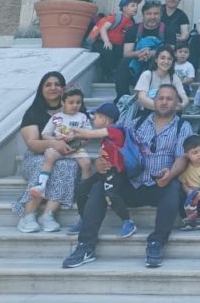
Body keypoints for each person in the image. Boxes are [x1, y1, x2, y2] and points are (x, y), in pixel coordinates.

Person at [62, 85, 191, 270]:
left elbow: (181, 157)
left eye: (169, 98)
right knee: (99, 187)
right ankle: (85, 246)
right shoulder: (136, 123)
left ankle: (156, 243)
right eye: (160, 98)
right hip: (132, 182)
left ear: (177, 103)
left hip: (159, 183)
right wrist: (100, 160)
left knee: (173, 190)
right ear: (154, 101)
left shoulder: (182, 126)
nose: (164, 102)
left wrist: (170, 174)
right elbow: (112, 143)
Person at [14, 72, 75, 233]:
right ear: (41, 89)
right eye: (48, 85)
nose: (53, 88)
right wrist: (54, 144)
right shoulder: (33, 113)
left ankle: (48, 215)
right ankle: (28, 215)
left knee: (68, 166)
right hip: (35, 157)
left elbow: (81, 134)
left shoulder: (73, 109)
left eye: (57, 84)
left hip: (64, 156)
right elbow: (33, 144)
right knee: (43, 164)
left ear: (63, 88)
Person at [65, 102, 135, 239]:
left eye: (95, 117)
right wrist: (69, 141)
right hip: (105, 171)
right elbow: (84, 139)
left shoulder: (115, 131)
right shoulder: (104, 135)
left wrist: (75, 132)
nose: (93, 120)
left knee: (110, 194)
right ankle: (84, 218)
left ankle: (128, 221)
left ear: (104, 119)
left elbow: (89, 134)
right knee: (81, 189)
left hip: (116, 173)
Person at [29, 88, 92, 198]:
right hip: (58, 146)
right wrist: (56, 140)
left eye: (78, 102)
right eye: (71, 102)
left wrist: (76, 138)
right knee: (49, 155)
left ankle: (84, 191)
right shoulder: (57, 117)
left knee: (86, 163)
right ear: (63, 103)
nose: (75, 105)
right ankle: (42, 186)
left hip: (76, 146)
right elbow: (45, 134)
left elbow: (88, 135)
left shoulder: (82, 117)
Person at [115, 0, 166, 102]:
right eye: (149, 14)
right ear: (143, 15)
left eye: (156, 13)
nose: (152, 17)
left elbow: (172, 51)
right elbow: (127, 53)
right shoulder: (133, 29)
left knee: (157, 61)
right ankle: (123, 98)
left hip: (158, 64)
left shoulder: (167, 30)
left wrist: (152, 54)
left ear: (160, 15)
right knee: (124, 63)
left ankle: (152, 96)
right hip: (137, 63)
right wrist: (139, 53)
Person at [94, 0, 142, 80]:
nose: (136, 8)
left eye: (137, 6)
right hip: (102, 42)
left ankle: (117, 74)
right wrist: (106, 41)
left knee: (122, 55)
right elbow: (103, 29)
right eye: (133, 6)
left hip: (117, 46)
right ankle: (109, 74)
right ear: (124, 8)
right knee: (107, 52)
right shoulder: (115, 18)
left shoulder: (132, 23)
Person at [134, 46, 188, 112]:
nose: (166, 61)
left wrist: (182, 105)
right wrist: (163, 108)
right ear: (156, 59)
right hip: (148, 112)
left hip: (167, 115)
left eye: (169, 59)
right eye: (162, 58)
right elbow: (141, 98)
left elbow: (184, 97)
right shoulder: (147, 74)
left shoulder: (173, 77)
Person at [178, 134, 200, 230]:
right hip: (190, 191)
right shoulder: (185, 166)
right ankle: (186, 220)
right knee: (181, 197)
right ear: (187, 155)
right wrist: (188, 191)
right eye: (195, 152)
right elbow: (183, 182)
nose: (199, 154)